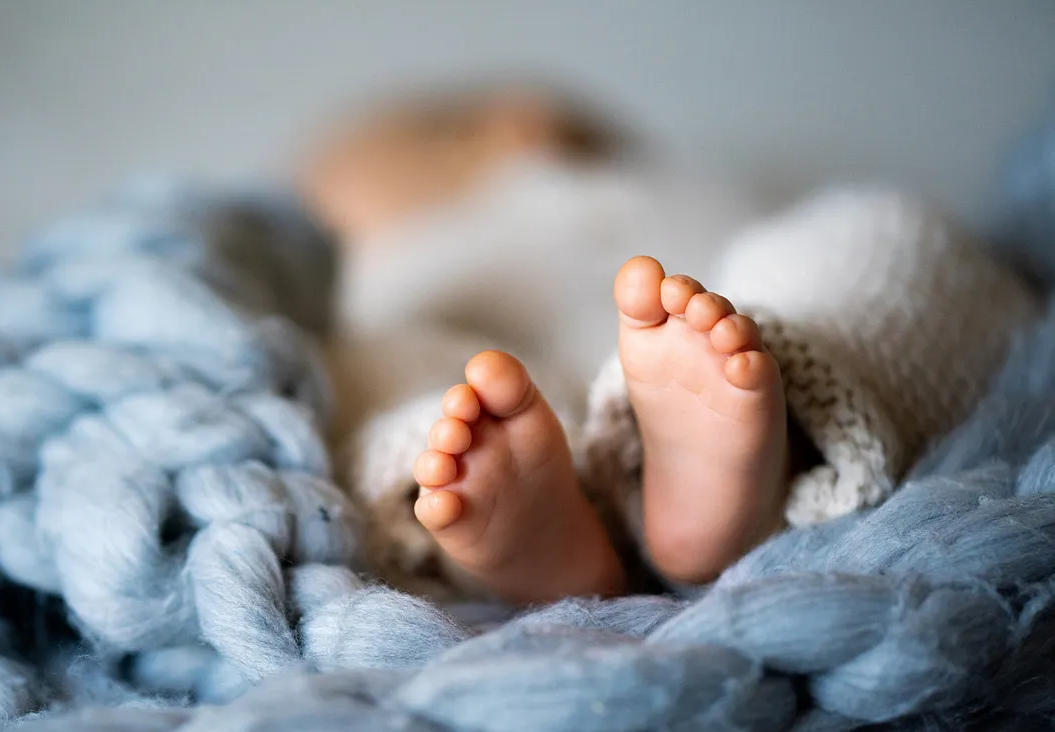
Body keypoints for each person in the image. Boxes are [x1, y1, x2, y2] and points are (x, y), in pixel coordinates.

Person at [300, 83, 1039, 603]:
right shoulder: (378, 276)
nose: (322, 233)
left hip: (729, 317)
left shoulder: (615, 180)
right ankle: (511, 514)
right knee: (366, 373)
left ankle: (765, 424)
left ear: (514, 124)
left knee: (870, 236)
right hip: (486, 361)